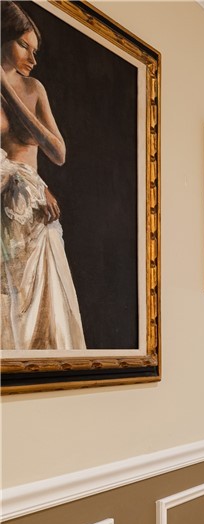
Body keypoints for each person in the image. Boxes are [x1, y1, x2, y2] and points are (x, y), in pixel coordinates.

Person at [1, 0, 85, 350]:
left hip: (35, 207)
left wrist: (6, 89)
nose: (32, 59)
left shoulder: (34, 89)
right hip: (3, 208)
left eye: (35, 50)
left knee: (47, 313)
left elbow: (58, 152)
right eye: (24, 45)